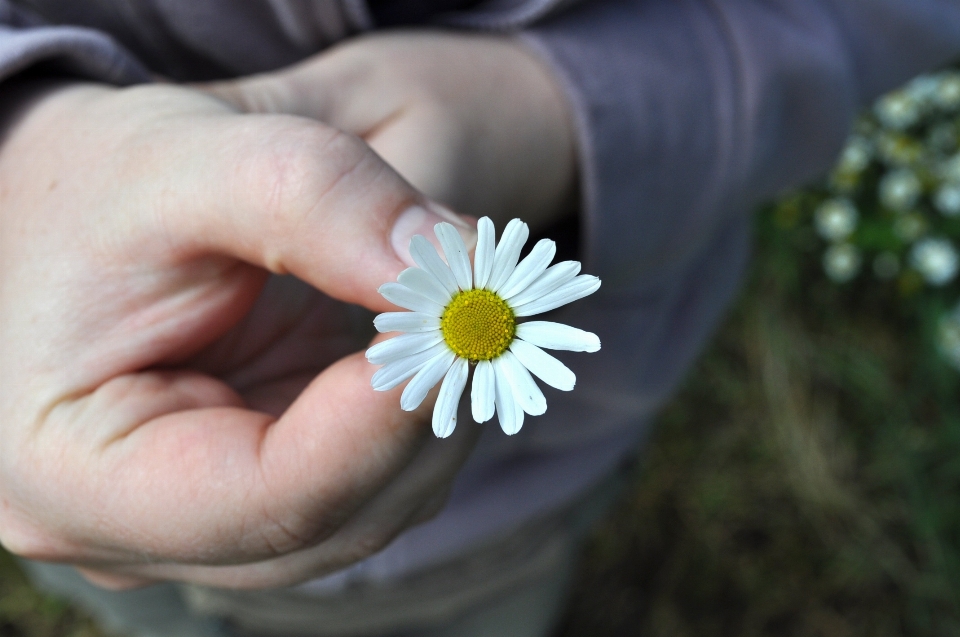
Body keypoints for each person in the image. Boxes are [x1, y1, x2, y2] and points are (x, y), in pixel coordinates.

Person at [1, 1, 959, 635]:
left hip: (508, 506)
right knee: (148, 603)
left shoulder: (482, 329)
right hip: (71, 462)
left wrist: (555, 110)